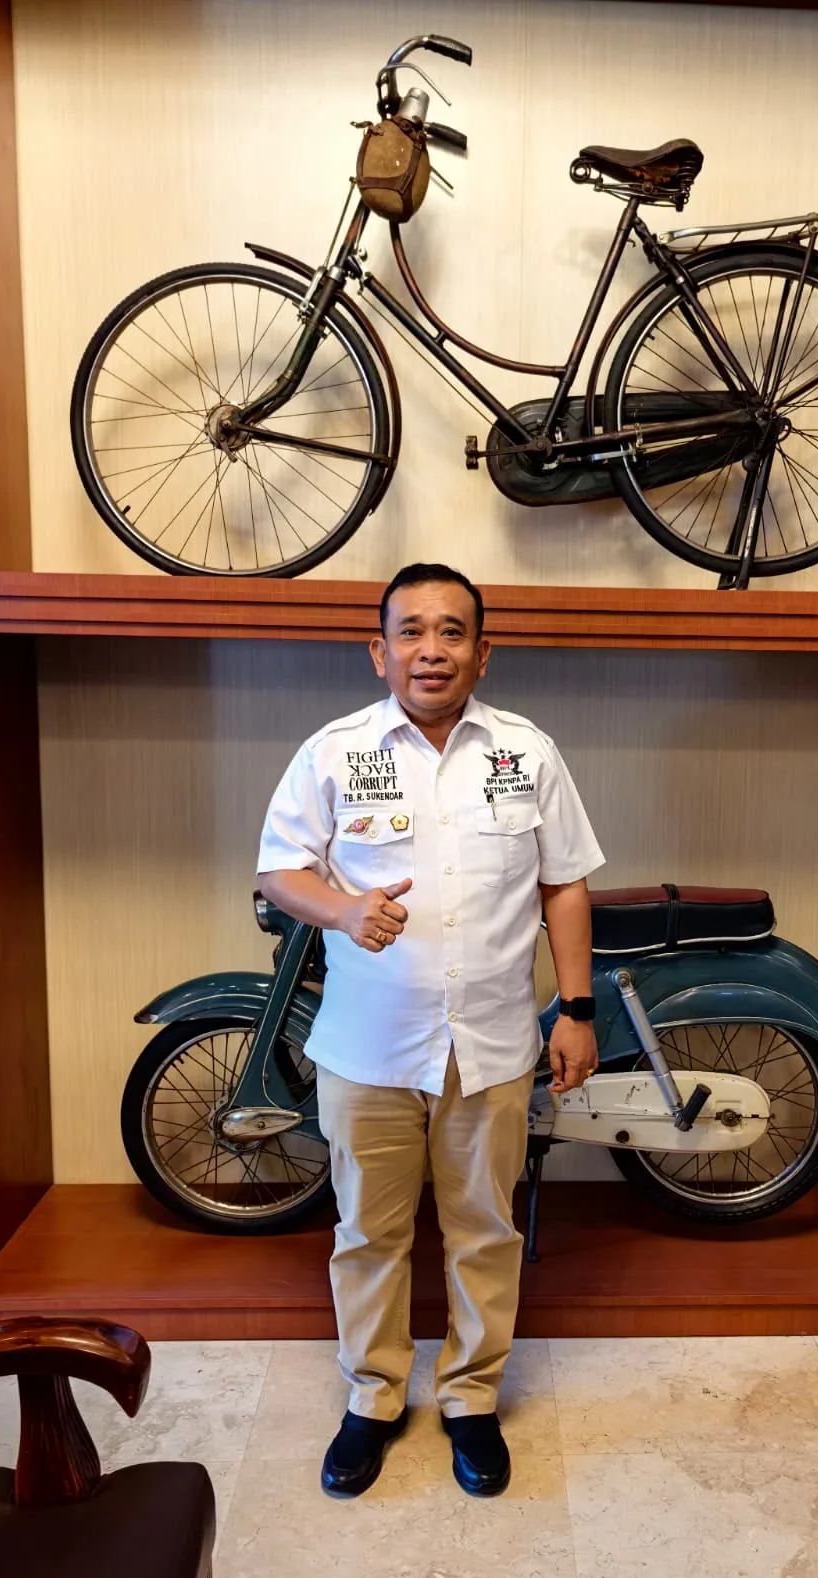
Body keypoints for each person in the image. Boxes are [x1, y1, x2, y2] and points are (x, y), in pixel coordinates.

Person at [256, 562, 604, 1498]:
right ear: (379, 653)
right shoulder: (333, 752)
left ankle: (470, 1396)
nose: (431, 650)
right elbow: (279, 869)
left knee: (484, 1229)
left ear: (483, 654)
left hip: (489, 1047)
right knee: (367, 1233)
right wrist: (343, 910)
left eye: (452, 632)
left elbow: (565, 884)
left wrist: (577, 1010)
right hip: (367, 1049)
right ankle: (373, 1396)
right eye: (410, 631)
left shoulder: (526, 752)